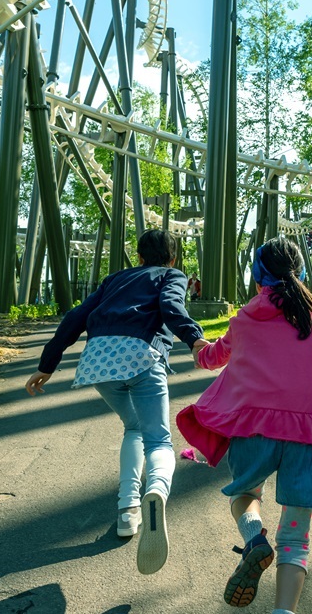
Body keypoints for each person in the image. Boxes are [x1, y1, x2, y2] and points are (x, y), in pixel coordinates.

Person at [177, 237, 312, 614]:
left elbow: (213, 358)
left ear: (258, 279)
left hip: (253, 429)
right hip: (308, 436)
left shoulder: (244, 318)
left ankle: (253, 538)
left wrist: (198, 348)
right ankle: (284, 612)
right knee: (296, 538)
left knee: (245, 494)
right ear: (302, 273)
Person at [24, 229, 206, 575]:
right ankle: (156, 492)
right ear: (173, 259)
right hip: (141, 354)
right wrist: (194, 338)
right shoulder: (172, 275)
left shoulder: (114, 279)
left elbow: (75, 317)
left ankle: (127, 512)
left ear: (138, 257)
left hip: (97, 362)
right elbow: (170, 307)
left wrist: (46, 365)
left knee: (133, 427)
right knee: (158, 438)